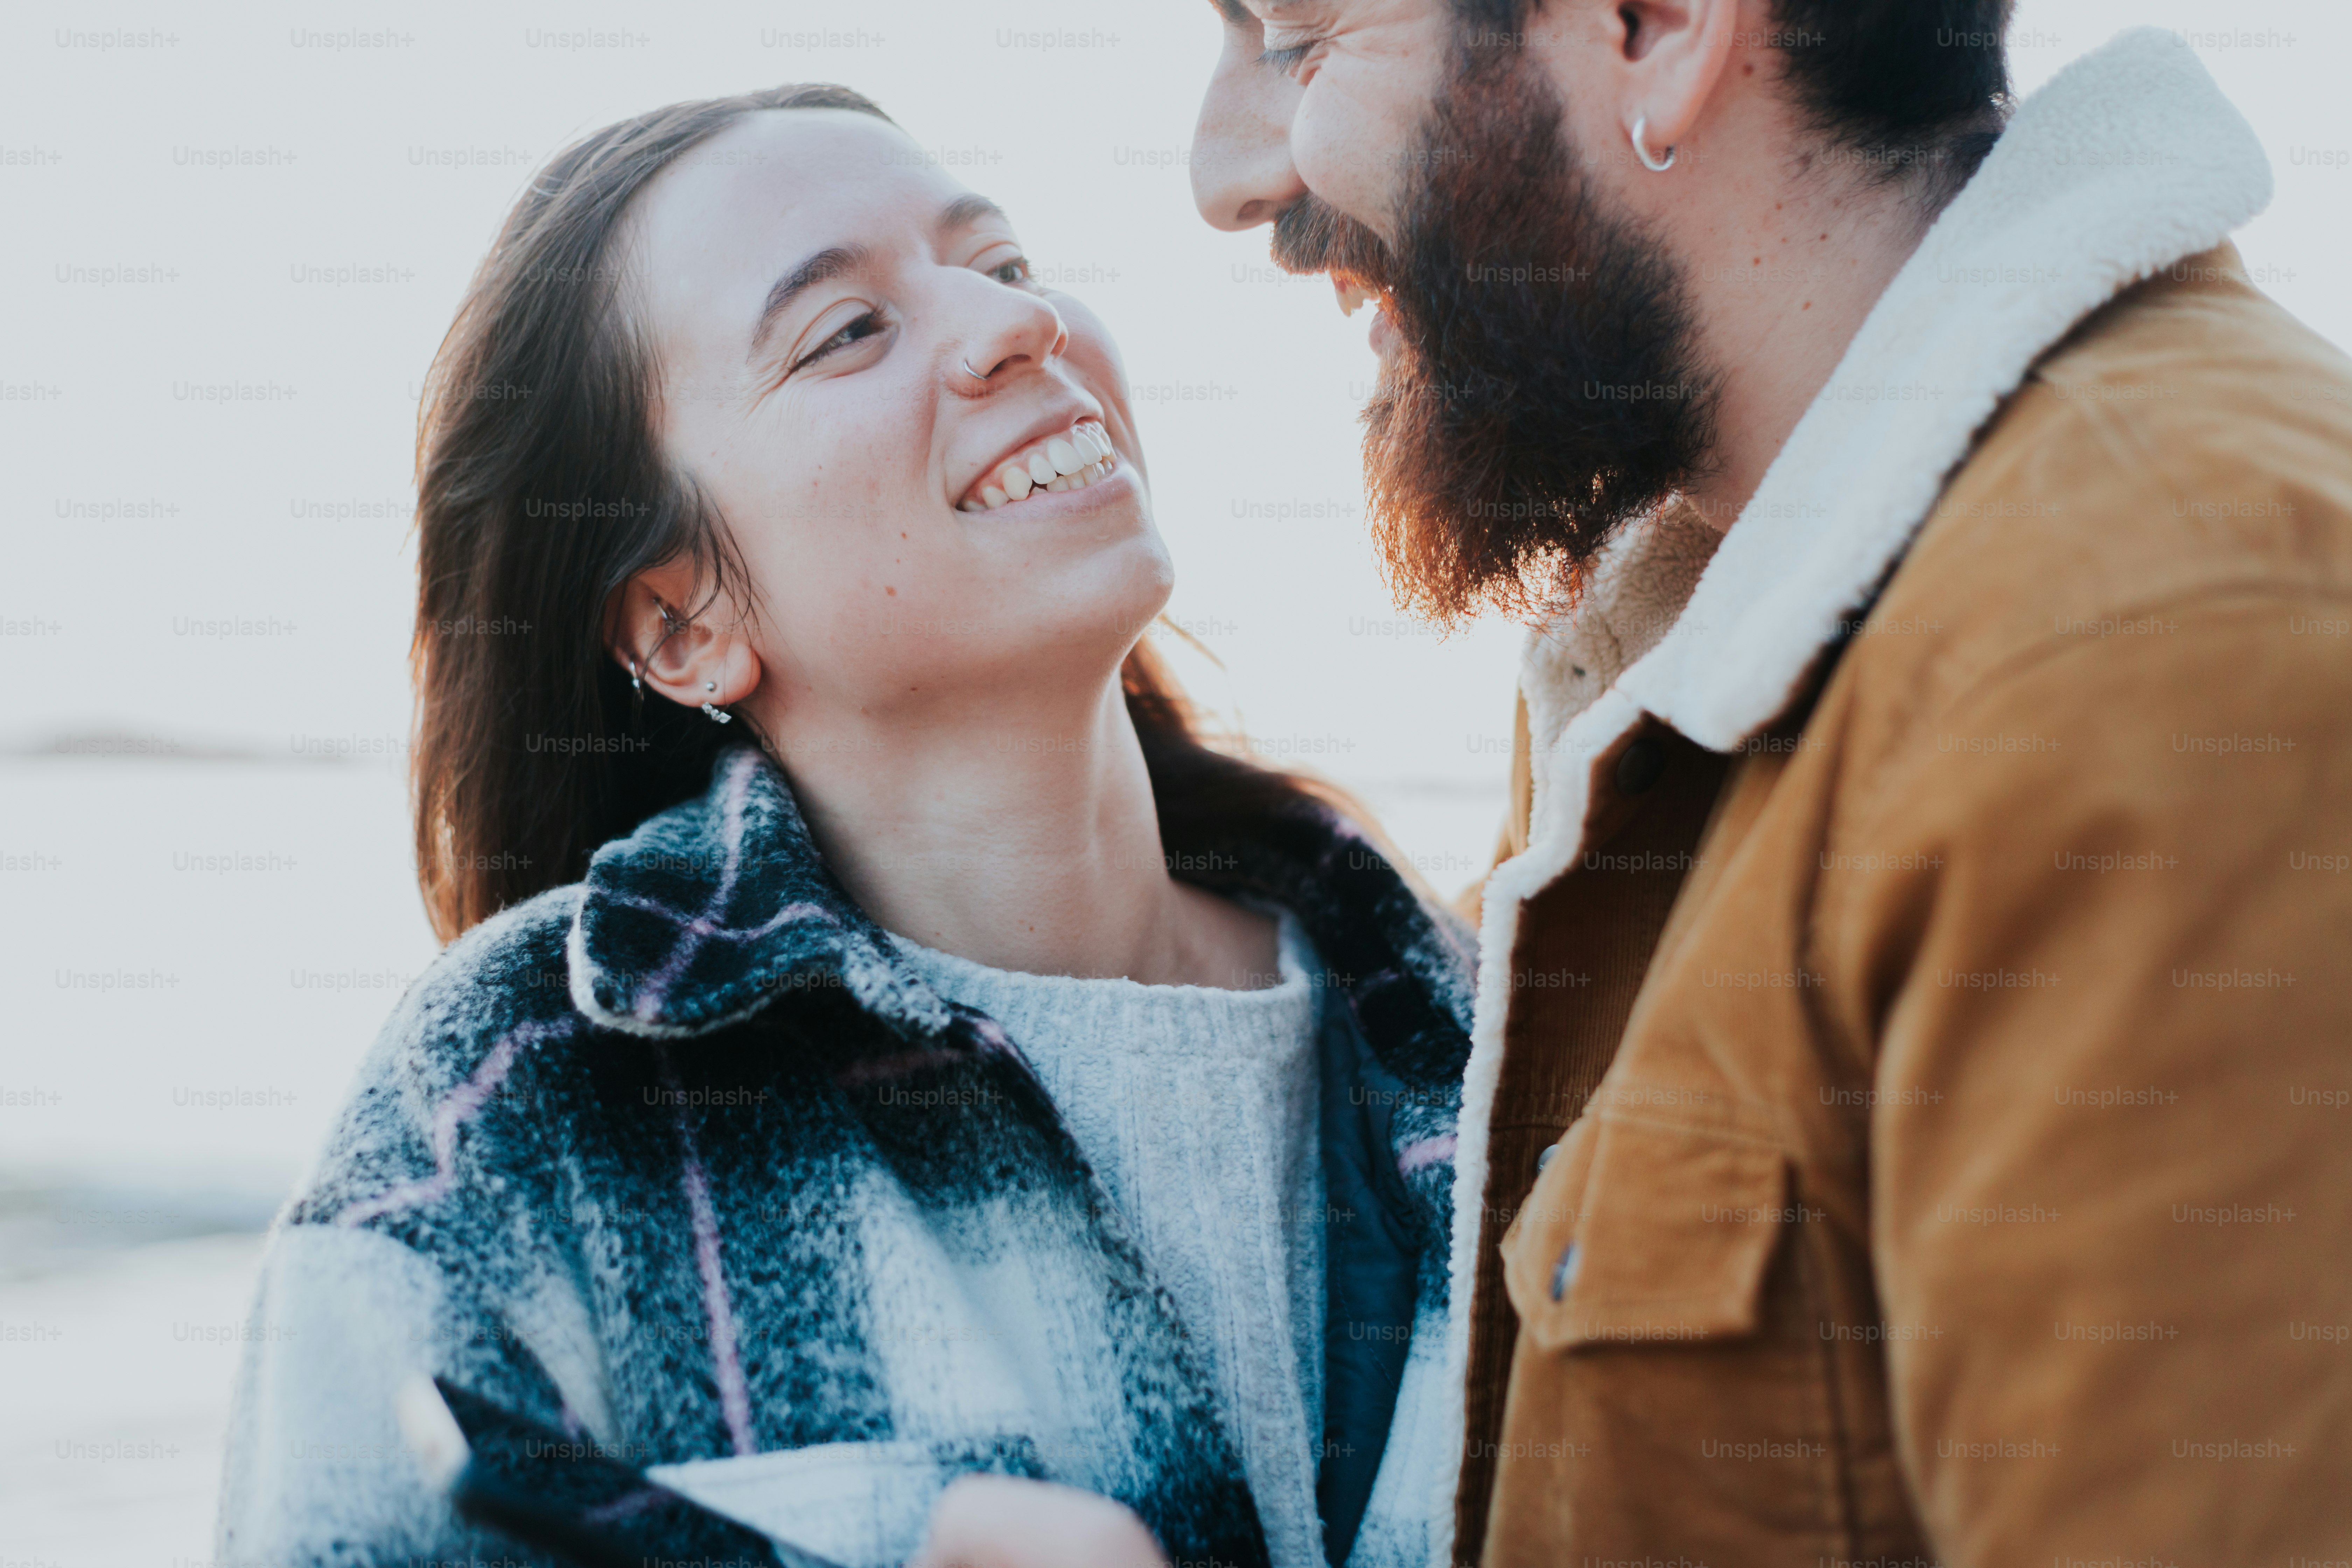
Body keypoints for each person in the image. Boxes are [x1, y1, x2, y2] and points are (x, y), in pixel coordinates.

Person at [934, 4, 2352, 1567]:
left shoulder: (2148, 644)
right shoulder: (1710, 637)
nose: (1227, 178)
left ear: (1659, 27)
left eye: (1298, 36)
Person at [214, 85, 1475, 1568]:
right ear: (683, 622)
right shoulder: (517, 1101)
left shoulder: (1487, 1017)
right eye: (848, 331)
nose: (1020, 327)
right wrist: (897, 1540)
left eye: (1000, 266)